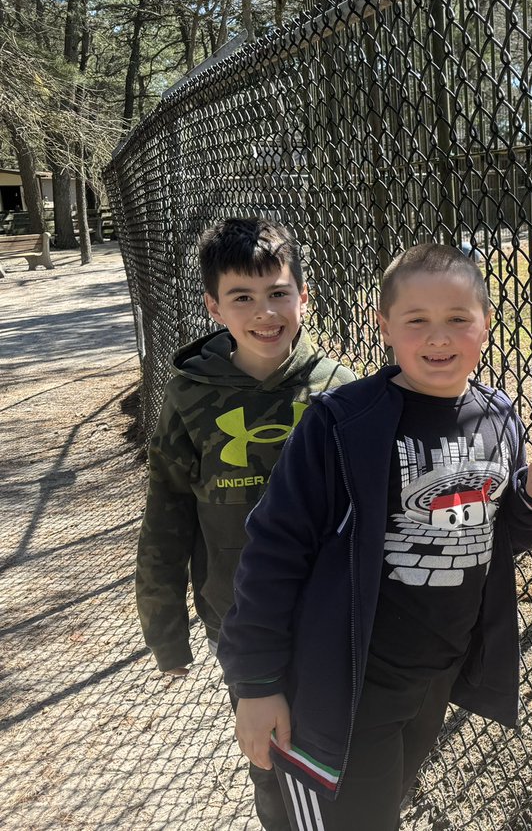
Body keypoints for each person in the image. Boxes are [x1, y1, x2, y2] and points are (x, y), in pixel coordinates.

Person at [218, 242, 532, 831]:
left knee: (381, 808)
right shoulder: (342, 422)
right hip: (350, 685)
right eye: (417, 321)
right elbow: (272, 552)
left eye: (458, 319)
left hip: (436, 673)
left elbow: (494, 535)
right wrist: (255, 684)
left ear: (486, 323)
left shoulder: (499, 416)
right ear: (384, 327)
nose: (439, 337)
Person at [135, 216, 355, 831]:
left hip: (327, 616)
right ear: (213, 306)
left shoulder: (338, 392)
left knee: (335, 753)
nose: (265, 313)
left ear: (304, 297)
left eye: (278, 293)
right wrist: (166, 631)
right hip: (238, 619)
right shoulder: (189, 397)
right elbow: (166, 517)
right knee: (271, 754)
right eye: (242, 298)